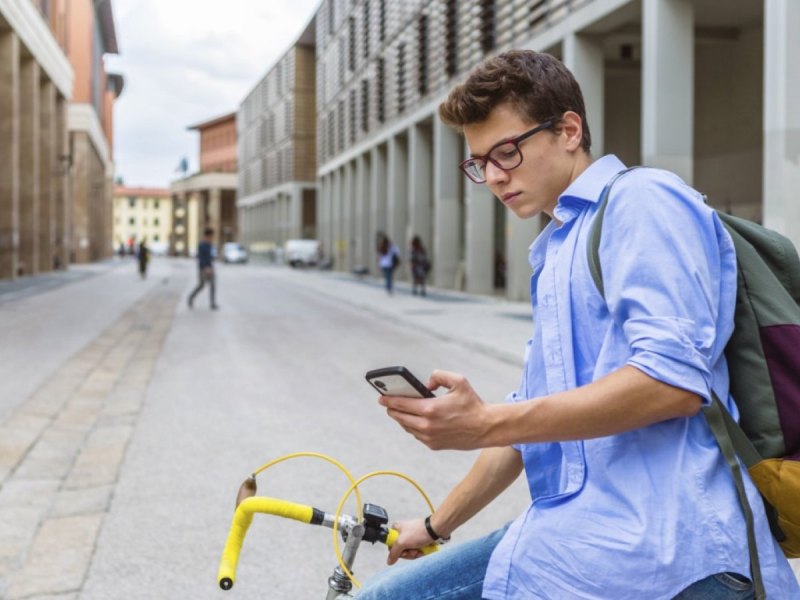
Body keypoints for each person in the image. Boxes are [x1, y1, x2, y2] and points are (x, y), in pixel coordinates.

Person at [357, 50, 800, 599]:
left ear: (569, 129)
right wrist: (434, 525)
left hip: (672, 560)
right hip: (579, 546)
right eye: (479, 163)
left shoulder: (643, 201)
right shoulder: (558, 245)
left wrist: (489, 421)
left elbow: (672, 382)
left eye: (507, 152)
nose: (494, 176)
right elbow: (525, 428)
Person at [187, 227, 219, 310]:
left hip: (210, 267)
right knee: (201, 285)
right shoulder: (202, 245)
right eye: (211, 236)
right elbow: (201, 258)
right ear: (207, 236)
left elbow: (210, 256)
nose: (212, 238)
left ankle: (212, 303)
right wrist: (205, 267)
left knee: (212, 285)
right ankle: (191, 297)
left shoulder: (210, 245)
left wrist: (213, 259)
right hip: (203, 268)